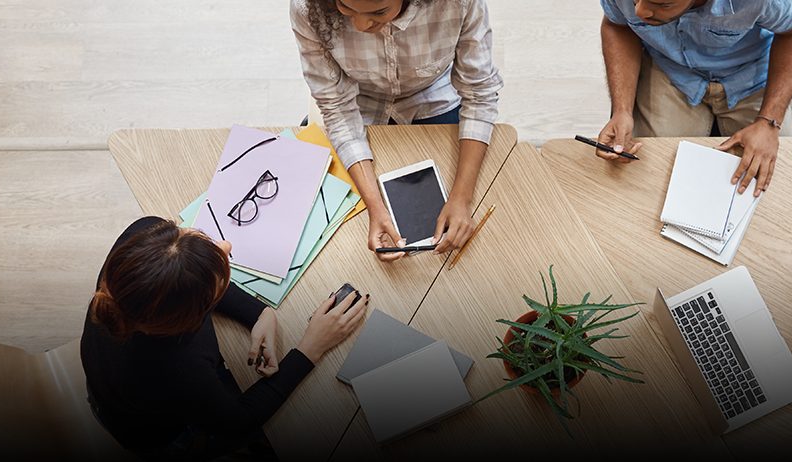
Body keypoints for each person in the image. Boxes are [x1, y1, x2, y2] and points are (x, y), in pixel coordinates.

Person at [81, 217, 367, 459]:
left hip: (115, 392)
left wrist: (260, 313)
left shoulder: (141, 241)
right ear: (193, 316)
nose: (226, 245)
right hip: (157, 434)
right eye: (220, 282)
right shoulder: (181, 366)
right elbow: (236, 422)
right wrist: (309, 349)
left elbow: (186, 274)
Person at [291, 0, 504, 260]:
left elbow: (479, 94)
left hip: (432, 96)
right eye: (345, 8)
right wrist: (375, 207)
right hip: (360, 101)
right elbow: (336, 108)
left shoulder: (458, 3)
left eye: (378, 11)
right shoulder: (307, 7)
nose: (359, 25)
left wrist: (462, 199)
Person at [597, 0, 792, 198]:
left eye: (662, 3)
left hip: (749, 75)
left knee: (785, 185)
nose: (639, 11)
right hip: (672, 70)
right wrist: (622, 110)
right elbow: (618, 25)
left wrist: (769, 122)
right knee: (642, 181)